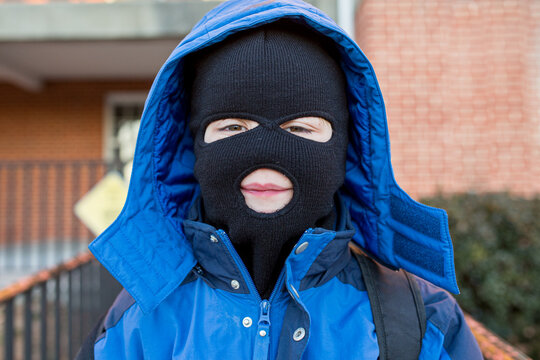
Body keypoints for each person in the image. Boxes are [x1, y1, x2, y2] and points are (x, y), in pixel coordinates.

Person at [78, 0, 483, 359]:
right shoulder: (137, 321)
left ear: (344, 149)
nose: (265, 154)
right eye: (233, 128)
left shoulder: (420, 320)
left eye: (301, 129)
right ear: (195, 147)